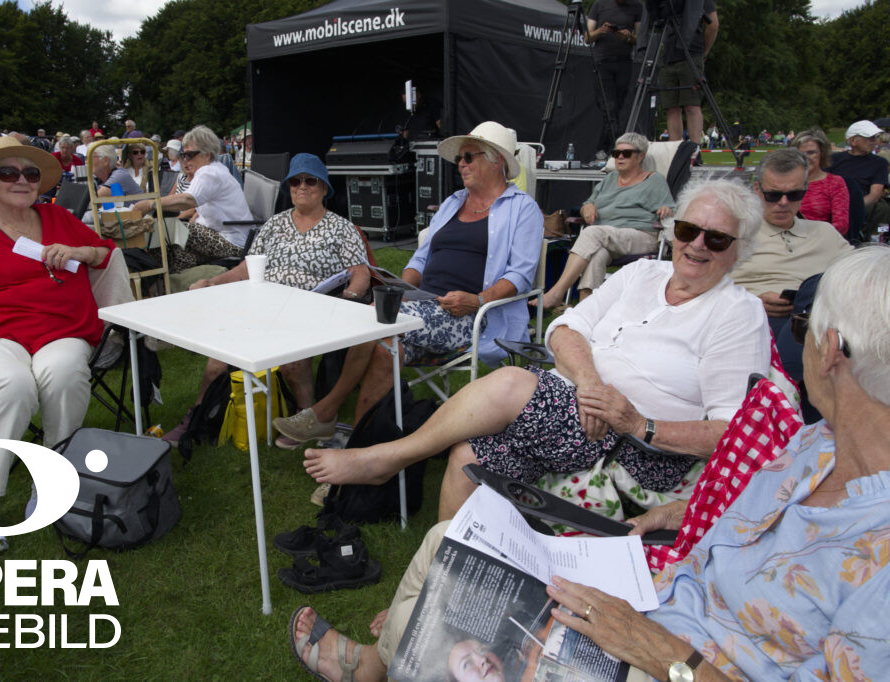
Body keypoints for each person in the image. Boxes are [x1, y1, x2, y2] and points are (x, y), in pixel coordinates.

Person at [290, 244, 890, 682]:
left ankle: (378, 660)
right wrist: (675, 515)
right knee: (449, 538)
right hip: (651, 590)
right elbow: (567, 328)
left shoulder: (877, 555)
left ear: (831, 351)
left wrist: (655, 649)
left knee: (445, 607)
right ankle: (376, 665)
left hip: (669, 654)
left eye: (802, 328)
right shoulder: (814, 446)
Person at [304, 179, 768, 521]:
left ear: (738, 249)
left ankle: (388, 458)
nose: (697, 245)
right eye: (688, 230)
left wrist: (637, 423)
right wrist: (589, 384)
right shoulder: (641, 273)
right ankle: (440, 577)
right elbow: (564, 328)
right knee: (468, 457)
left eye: (716, 238)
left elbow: (732, 432)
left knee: (511, 381)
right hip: (575, 408)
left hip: (634, 444)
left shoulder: (737, 315)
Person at [272, 122, 543, 447]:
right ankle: (361, 444)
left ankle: (326, 413)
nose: (461, 164)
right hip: (422, 307)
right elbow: (419, 259)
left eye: (469, 157)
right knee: (387, 346)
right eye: (460, 158)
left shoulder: (522, 209)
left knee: (378, 322)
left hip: (470, 315)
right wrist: (399, 288)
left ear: (497, 160)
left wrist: (477, 300)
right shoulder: (453, 203)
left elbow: (520, 275)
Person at [0, 136, 114, 558]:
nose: (21, 181)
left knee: (65, 373)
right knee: (12, 384)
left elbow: (104, 251)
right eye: (7, 173)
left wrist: (77, 250)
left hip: (62, 329)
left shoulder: (57, 217)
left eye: (30, 173)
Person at [161, 154, 371, 445]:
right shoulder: (274, 224)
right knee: (219, 358)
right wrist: (212, 282)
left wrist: (349, 297)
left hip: (313, 309)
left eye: (310, 181)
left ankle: (306, 417)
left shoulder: (342, 228)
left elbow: (360, 272)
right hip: (263, 305)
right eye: (295, 181)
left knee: (292, 359)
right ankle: (196, 417)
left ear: (324, 188)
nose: (302, 186)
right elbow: (247, 268)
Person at [532, 131, 673, 310]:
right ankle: (586, 309)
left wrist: (666, 210)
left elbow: (671, 209)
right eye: (616, 153)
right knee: (597, 255)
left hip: (641, 235)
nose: (619, 157)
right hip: (608, 238)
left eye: (626, 153)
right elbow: (588, 203)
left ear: (640, 156)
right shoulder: (610, 179)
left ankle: (556, 293)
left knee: (593, 233)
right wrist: (587, 208)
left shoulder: (654, 180)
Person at [728, 148, 852, 335]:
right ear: (757, 190)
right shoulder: (734, 232)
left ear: (805, 190)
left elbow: (863, 276)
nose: (783, 202)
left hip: (821, 319)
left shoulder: (825, 233)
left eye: (794, 194)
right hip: (754, 321)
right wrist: (750, 300)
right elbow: (698, 286)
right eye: (773, 195)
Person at [131, 125, 253, 273]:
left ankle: (155, 278)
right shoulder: (216, 169)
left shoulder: (209, 172)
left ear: (206, 155)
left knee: (164, 231)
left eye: (189, 155)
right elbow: (199, 209)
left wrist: (150, 204)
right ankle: (172, 280)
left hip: (232, 243)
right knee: (175, 251)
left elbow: (187, 200)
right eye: (183, 155)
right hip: (225, 237)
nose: (185, 160)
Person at [658, 0, 719, 145]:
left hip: (691, 53)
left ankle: (694, 149)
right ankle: (675, 150)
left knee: (691, 104)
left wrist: (703, 52)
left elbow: (713, 25)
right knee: (672, 107)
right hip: (668, 56)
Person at [585, 0, 643, 153]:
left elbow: (641, 38)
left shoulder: (637, 6)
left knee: (618, 107)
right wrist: (601, 31)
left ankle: (602, 149)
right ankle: (615, 147)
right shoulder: (599, 5)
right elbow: (587, 37)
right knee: (608, 105)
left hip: (624, 61)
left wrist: (629, 37)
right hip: (602, 61)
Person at [828, 119, 889, 239]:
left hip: (863, 202)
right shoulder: (834, 159)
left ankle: (877, 237)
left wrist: (851, 205)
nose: (874, 141)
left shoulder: (880, 163)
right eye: (869, 138)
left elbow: (875, 195)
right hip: (833, 200)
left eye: (875, 138)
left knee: (882, 209)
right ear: (852, 140)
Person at [789, 128, 849, 235]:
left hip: (821, 239)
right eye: (800, 153)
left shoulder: (835, 183)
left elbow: (841, 225)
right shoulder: (783, 182)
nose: (805, 158)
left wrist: (812, 236)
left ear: (822, 153)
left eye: (811, 152)